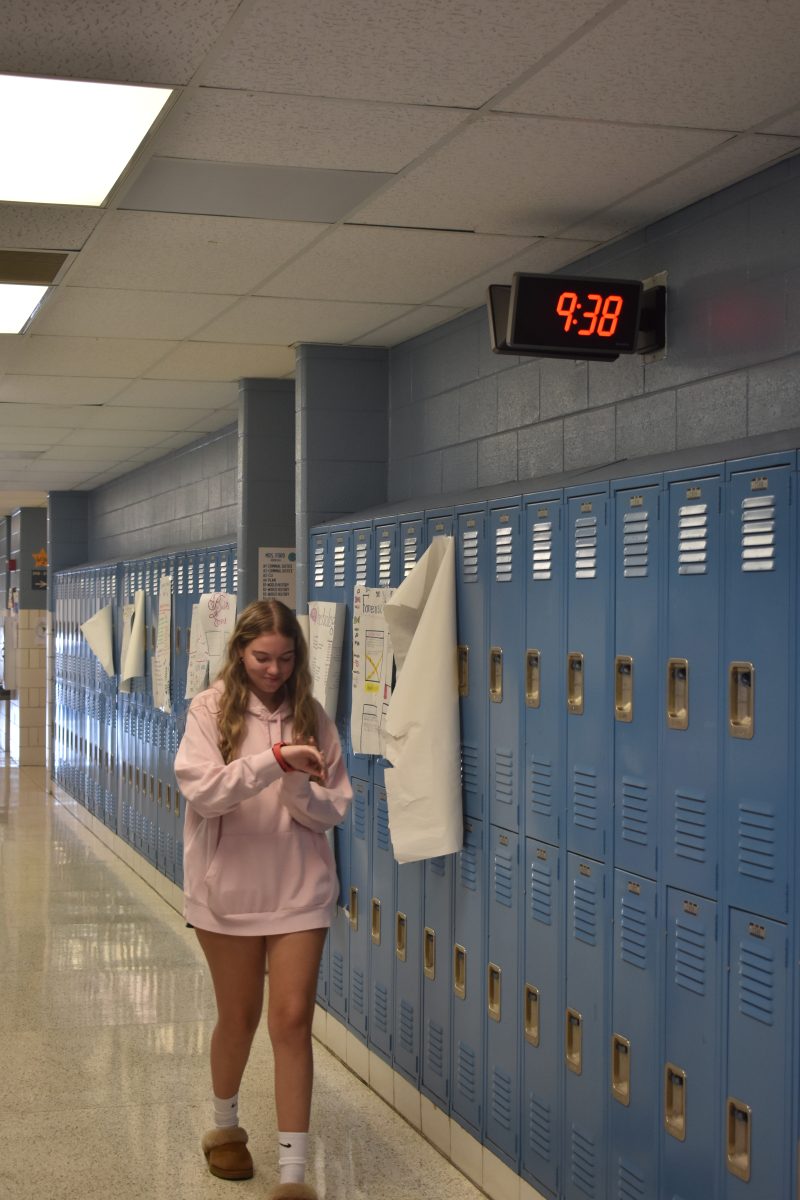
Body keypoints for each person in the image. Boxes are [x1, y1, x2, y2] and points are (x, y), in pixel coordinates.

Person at [174, 599, 352, 1200]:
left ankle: (294, 1177)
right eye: (261, 658)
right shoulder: (209, 708)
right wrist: (273, 762)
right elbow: (205, 794)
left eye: (285, 658)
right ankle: (225, 1130)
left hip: (300, 888)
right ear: (240, 652)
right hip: (227, 891)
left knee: (293, 1019)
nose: (273, 670)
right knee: (241, 1015)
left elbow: (334, 809)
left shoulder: (314, 716)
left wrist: (300, 786)